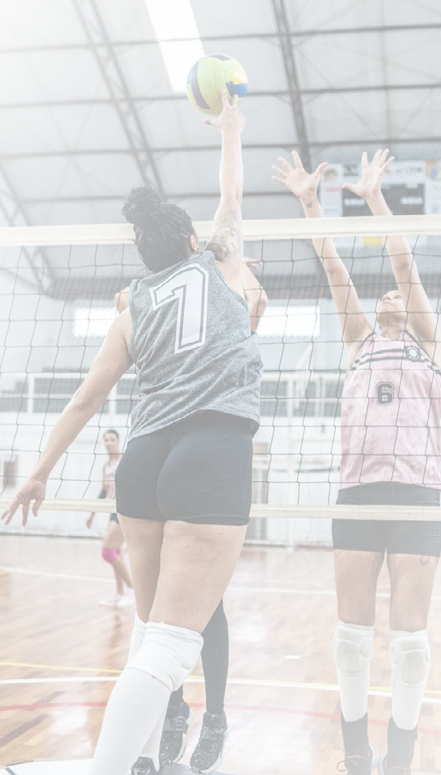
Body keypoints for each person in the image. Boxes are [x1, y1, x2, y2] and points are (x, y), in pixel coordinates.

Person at [2, 91, 262, 775]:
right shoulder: (222, 263)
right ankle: (108, 770)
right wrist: (231, 131)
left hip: (144, 459)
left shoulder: (132, 306)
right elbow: (231, 196)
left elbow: (88, 398)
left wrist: (38, 470)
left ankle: (144, 759)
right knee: (175, 642)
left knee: (151, 627)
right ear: (188, 243)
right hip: (212, 448)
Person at [273, 148, 441, 775]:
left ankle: (399, 760)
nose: (392, 293)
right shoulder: (359, 342)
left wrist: (374, 198)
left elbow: (403, 260)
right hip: (358, 495)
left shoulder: (428, 345)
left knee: (411, 649)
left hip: (419, 497)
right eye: (386, 294)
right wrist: (312, 203)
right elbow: (334, 269)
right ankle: (355, 754)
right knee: (351, 637)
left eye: (400, 293)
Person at [113, 261, 267, 772]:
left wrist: (241, 270)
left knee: (203, 608)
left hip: (208, 448)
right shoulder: (153, 302)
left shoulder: (225, 293)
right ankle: (172, 710)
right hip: (160, 443)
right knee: (155, 611)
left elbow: (254, 302)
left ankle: (215, 716)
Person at [86, 429, 134, 609]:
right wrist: (92, 513)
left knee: (108, 552)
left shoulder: (125, 460)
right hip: (110, 509)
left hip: (125, 509)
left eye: (112, 439)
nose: (109, 442)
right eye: (106, 439)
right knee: (116, 553)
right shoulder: (106, 466)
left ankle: (132, 589)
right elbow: (103, 492)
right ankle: (119, 593)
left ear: (118, 441)